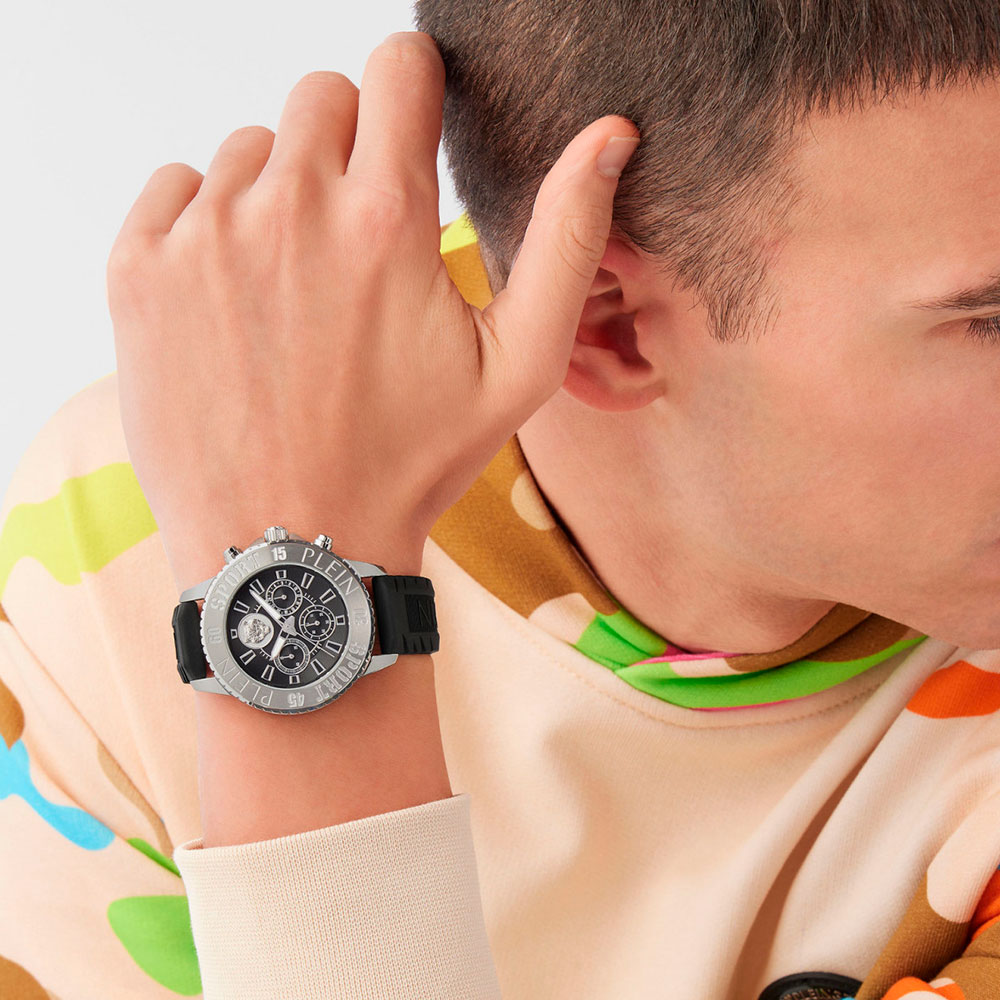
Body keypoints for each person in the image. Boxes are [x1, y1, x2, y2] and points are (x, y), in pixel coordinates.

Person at [2, 2, 1000, 998]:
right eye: (990, 320)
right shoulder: (137, 543)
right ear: (608, 327)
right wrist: (309, 552)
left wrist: (293, 613)